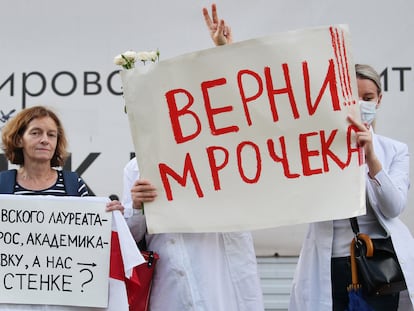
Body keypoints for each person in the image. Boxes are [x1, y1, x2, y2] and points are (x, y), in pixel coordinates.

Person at [121, 4, 264, 310]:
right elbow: (131, 238)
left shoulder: (218, 149)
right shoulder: (136, 168)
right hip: (171, 288)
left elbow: (242, 115)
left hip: (219, 279)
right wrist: (136, 207)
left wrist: (226, 55)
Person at [289, 64, 414, 310]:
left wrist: (372, 160)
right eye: (352, 99)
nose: (360, 105)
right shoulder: (318, 149)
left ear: (378, 100)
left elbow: (393, 207)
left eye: (367, 98)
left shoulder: (395, 150)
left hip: (376, 263)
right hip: (329, 264)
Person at [0, 105, 123, 207]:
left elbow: (92, 228)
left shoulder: (74, 184)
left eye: (51, 135)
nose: (45, 140)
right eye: (36, 133)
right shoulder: (2, 184)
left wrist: (110, 216)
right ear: (19, 140)